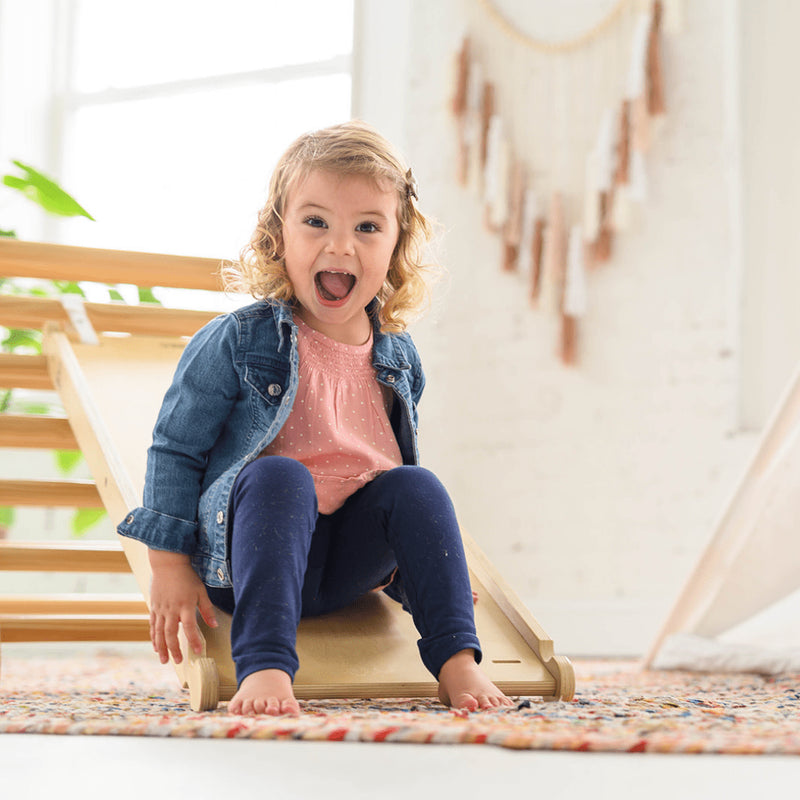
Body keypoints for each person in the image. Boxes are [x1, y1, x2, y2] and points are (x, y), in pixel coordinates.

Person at [118, 120, 512, 716]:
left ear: (396, 245)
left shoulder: (398, 357)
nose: (341, 246)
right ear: (278, 235)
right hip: (252, 560)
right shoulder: (238, 341)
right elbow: (176, 448)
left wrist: (424, 572)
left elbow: (389, 477)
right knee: (281, 476)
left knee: (416, 484)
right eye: (316, 221)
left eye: (368, 227)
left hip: (349, 570)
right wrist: (168, 564)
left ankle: (458, 663)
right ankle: (265, 667)